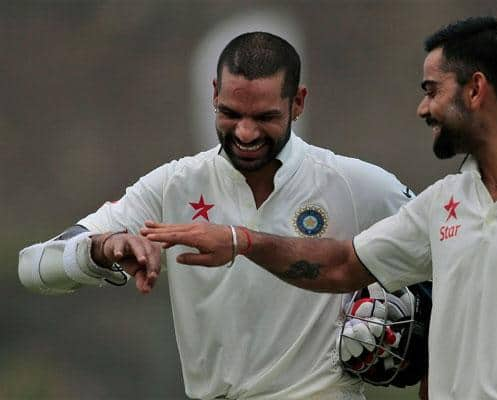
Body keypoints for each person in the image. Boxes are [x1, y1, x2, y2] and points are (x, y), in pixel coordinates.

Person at [141, 17, 497, 400]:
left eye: (432, 89)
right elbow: (340, 265)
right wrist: (241, 240)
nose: (422, 107)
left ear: (475, 90)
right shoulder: (442, 203)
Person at [18, 32, 424, 400]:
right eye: (231, 113)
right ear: (214, 93)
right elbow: (33, 268)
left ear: (297, 102)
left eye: (264, 117)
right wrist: (102, 248)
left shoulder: (356, 184)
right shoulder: (173, 185)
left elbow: (450, 250)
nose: (245, 133)